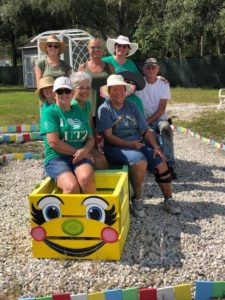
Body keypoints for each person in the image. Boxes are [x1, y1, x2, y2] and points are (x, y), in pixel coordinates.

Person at [97, 74, 181, 217]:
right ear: (109, 92)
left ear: (125, 90)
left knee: (160, 160)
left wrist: (155, 146)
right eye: (114, 90)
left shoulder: (132, 106)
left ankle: (168, 199)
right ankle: (137, 199)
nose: (118, 92)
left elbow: (145, 130)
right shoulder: (104, 109)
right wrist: (131, 144)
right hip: (116, 147)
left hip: (137, 144)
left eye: (120, 89)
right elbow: (109, 137)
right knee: (140, 161)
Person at [41, 76, 96, 194]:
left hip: (79, 155)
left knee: (86, 178)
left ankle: (88, 210)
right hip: (57, 157)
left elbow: (90, 138)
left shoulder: (79, 110)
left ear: (72, 94)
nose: (64, 94)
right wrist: (80, 153)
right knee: (71, 187)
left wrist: (86, 150)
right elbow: (53, 142)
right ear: (54, 94)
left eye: (67, 91)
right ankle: (70, 212)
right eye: (60, 91)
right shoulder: (49, 112)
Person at [135, 58, 177, 179]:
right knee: (151, 134)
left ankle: (169, 164)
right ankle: (158, 162)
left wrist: (146, 123)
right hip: (143, 118)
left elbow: (161, 110)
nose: (151, 69)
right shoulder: (139, 84)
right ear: (143, 70)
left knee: (166, 128)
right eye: (148, 67)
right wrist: (143, 124)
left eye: (154, 67)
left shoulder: (163, 83)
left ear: (158, 69)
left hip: (159, 118)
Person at [70, 71, 108, 169]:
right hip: (74, 146)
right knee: (98, 162)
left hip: (86, 143)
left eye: (87, 88)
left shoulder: (87, 104)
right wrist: (87, 151)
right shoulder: (71, 105)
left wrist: (94, 148)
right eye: (81, 88)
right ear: (73, 89)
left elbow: (91, 127)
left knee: (103, 159)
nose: (85, 91)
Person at [78, 38, 114, 121]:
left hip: (107, 107)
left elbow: (114, 87)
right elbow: (78, 89)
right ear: (88, 49)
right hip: (88, 108)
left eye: (99, 47)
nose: (96, 49)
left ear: (102, 50)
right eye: (93, 47)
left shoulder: (110, 67)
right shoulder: (83, 67)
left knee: (106, 133)